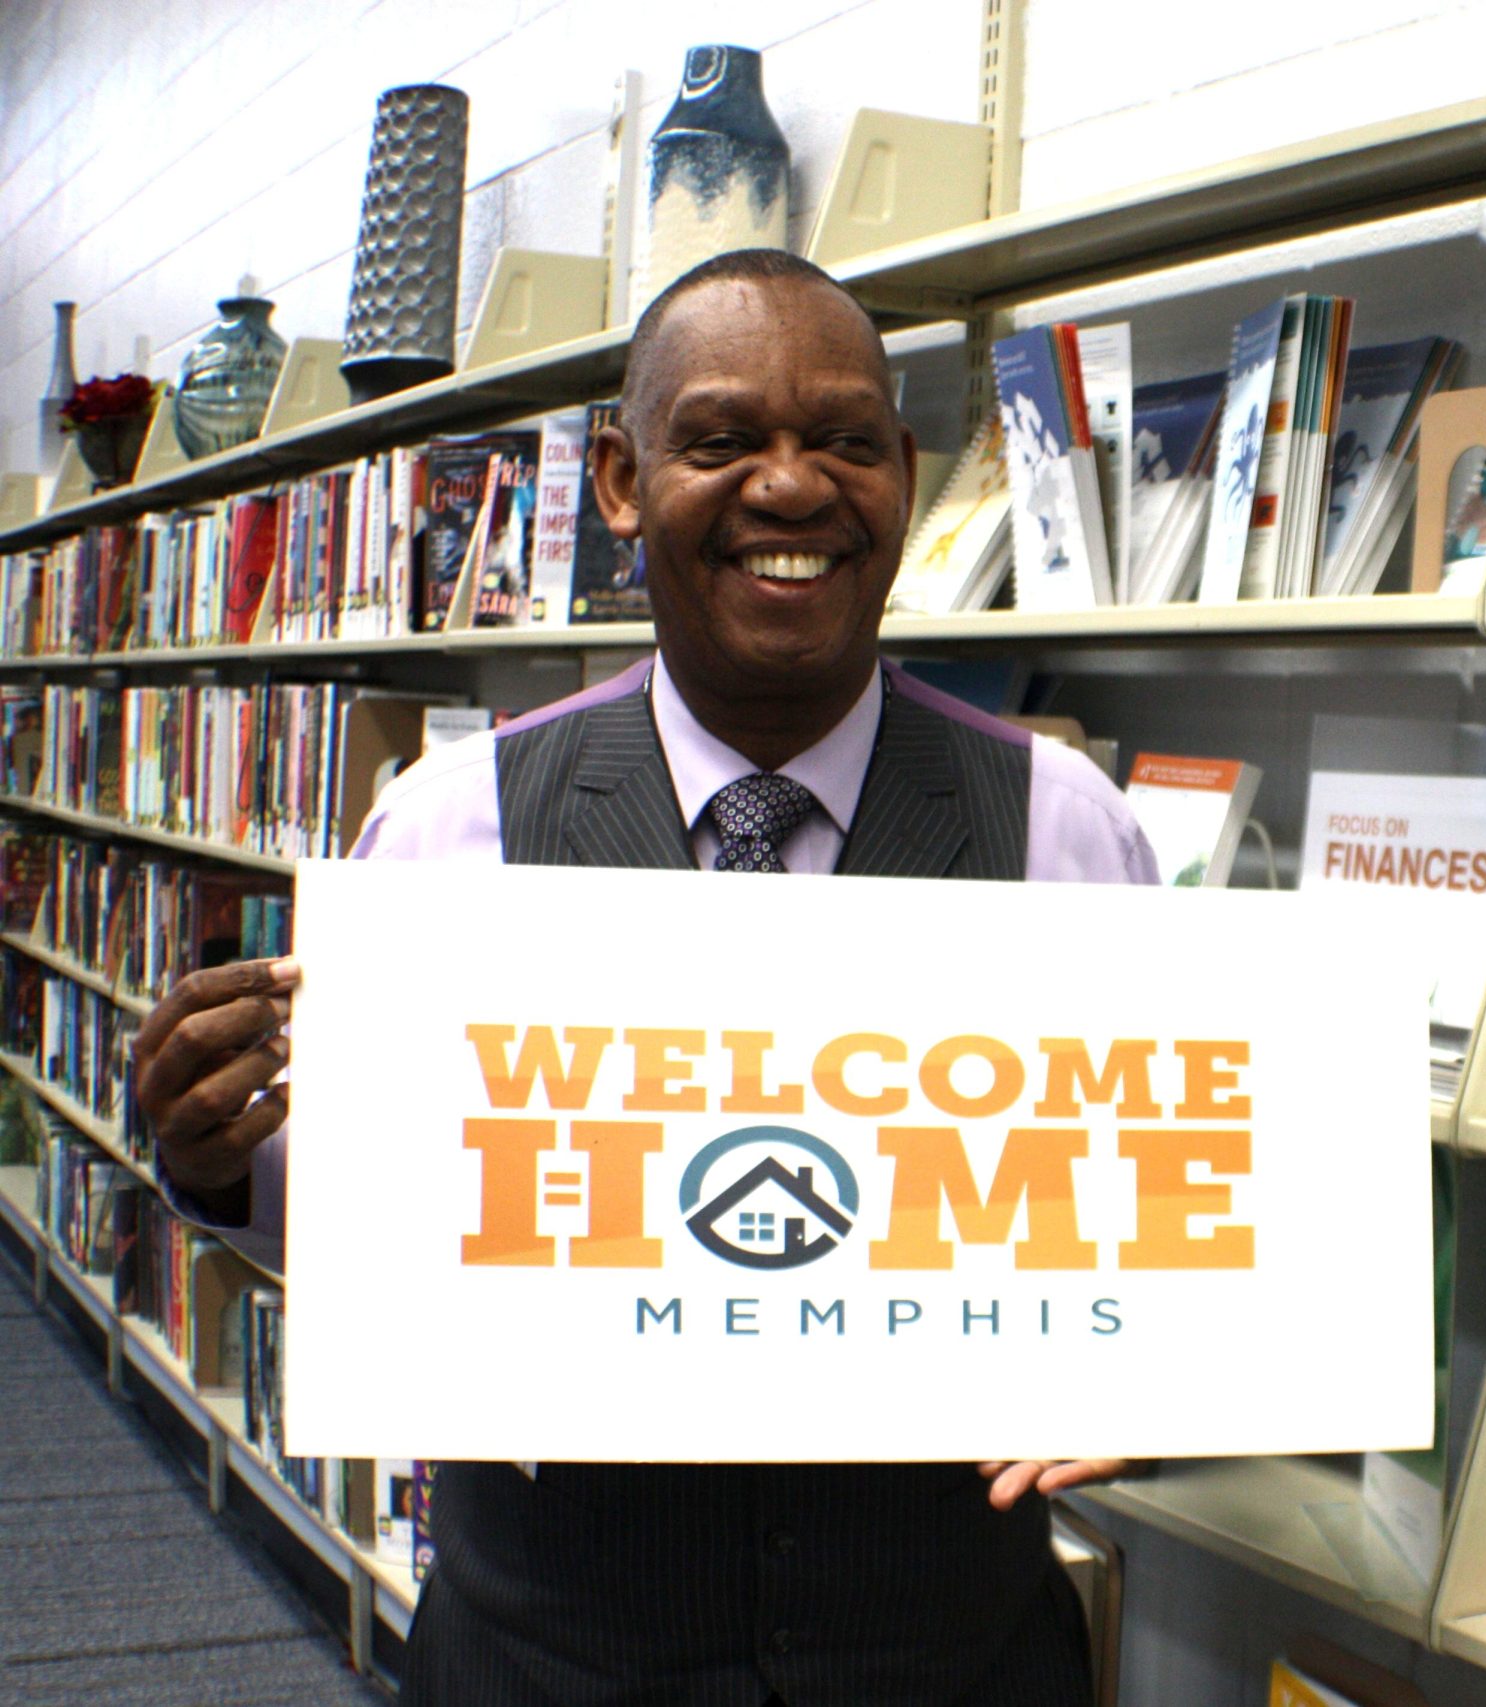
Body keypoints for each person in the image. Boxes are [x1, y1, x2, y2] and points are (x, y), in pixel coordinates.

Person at [130, 249, 1155, 1707]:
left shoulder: (1066, 826)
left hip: (955, 1658)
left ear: (905, 480)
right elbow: (355, 1217)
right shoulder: (447, 825)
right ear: (618, 480)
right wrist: (208, 1151)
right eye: (724, 438)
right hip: (551, 1655)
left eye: (847, 441)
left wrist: (1165, 1369)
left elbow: (1151, 1208)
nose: (791, 488)